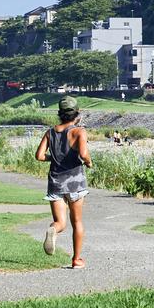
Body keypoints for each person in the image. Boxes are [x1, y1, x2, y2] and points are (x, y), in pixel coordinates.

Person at [35, 96, 92, 269]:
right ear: (77, 114)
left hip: (55, 182)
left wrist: (53, 158)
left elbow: (39, 156)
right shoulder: (79, 131)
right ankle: (76, 259)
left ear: (60, 114)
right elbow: (83, 153)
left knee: (60, 222)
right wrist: (89, 162)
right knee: (77, 222)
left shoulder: (50, 132)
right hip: (75, 183)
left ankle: (54, 229)